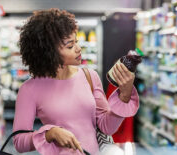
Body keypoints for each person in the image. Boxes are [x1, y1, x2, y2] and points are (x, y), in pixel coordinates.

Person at [13, 8, 139, 155]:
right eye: (70, 46)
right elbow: (19, 142)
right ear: (49, 52)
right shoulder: (29, 89)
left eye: (76, 42)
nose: (79, 49)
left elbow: (107, 127)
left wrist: (124, 95)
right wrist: (50, 133)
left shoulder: (89, 76)